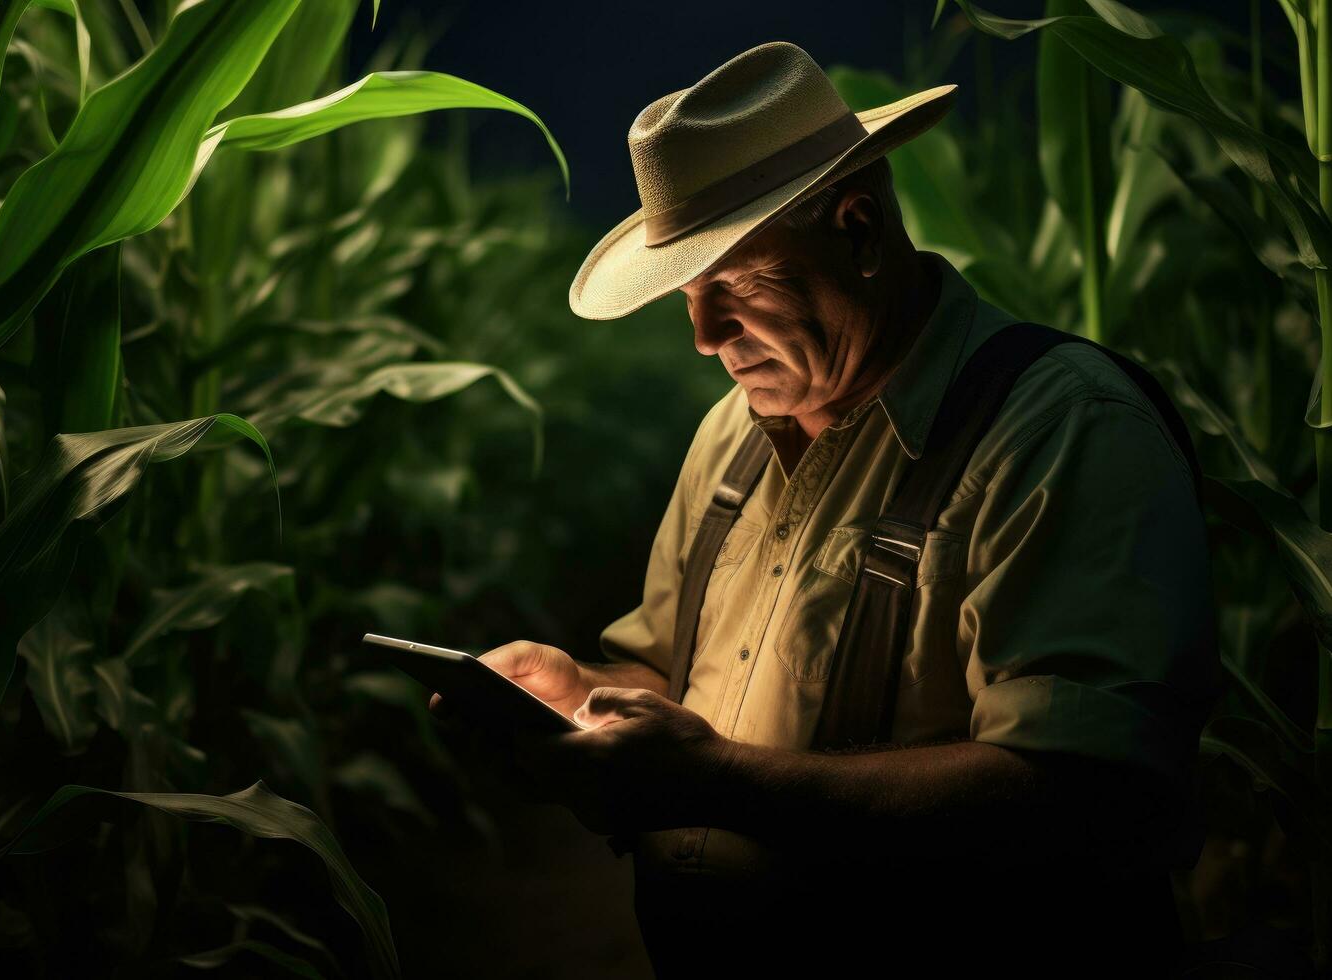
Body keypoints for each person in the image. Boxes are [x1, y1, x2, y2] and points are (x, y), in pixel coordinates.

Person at [433, 41, 1221, 976]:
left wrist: (719, 783)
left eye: (735, 285)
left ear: (857, 229)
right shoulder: (730, 435)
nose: (703, 336)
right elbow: (669, 684)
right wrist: (572, 701)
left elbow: (1084, 795)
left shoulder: (1064, 432)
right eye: (689, 294)